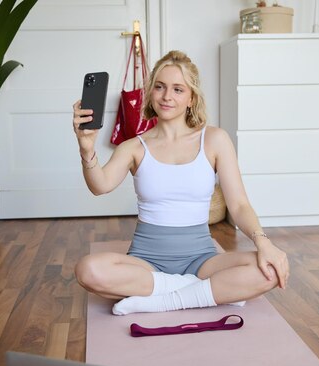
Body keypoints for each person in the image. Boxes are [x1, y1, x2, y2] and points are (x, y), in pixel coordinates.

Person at [72, 50, 289, 316]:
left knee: (268, 270)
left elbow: (240, 205)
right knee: (88, 270)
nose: (167, 97)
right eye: (160, 87)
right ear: (150, 92)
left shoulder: (214, 140)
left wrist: (264, 243)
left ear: (191, 98)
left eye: (178, 89)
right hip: (145, 262)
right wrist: (86, 149)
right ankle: (200, 291)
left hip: (202, 260)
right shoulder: (134, 147)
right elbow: (100, 185)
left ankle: (163, 299)